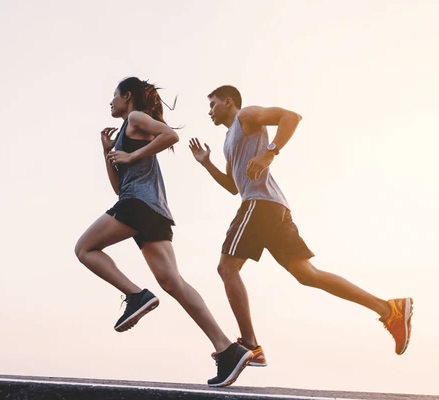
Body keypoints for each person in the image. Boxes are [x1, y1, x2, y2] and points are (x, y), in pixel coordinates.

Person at [188, 85, 413, 366]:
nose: (209, 111)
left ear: (228, 102)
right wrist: (206, 163)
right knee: (307, 274)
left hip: (260, 204)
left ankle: (250, 345)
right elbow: (233, 187)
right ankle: (389, 309)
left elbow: (291, 117)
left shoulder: (246, 116)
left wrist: (270, 153)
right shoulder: (228, 141)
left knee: (226, 268)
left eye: (212, 104)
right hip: (272, 206)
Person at [74, 77, 252, 387]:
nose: (110, 103)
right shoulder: (123, 135)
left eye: (114, 96)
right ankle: (227, 350)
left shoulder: (136, 117)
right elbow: (120, 187)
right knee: (174, 283)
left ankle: (135, 295)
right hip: (150, 211)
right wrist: (109, 153)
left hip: (140, 207)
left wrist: (131, 155)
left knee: (85, 249)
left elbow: (170, 136)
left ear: (127, 96)